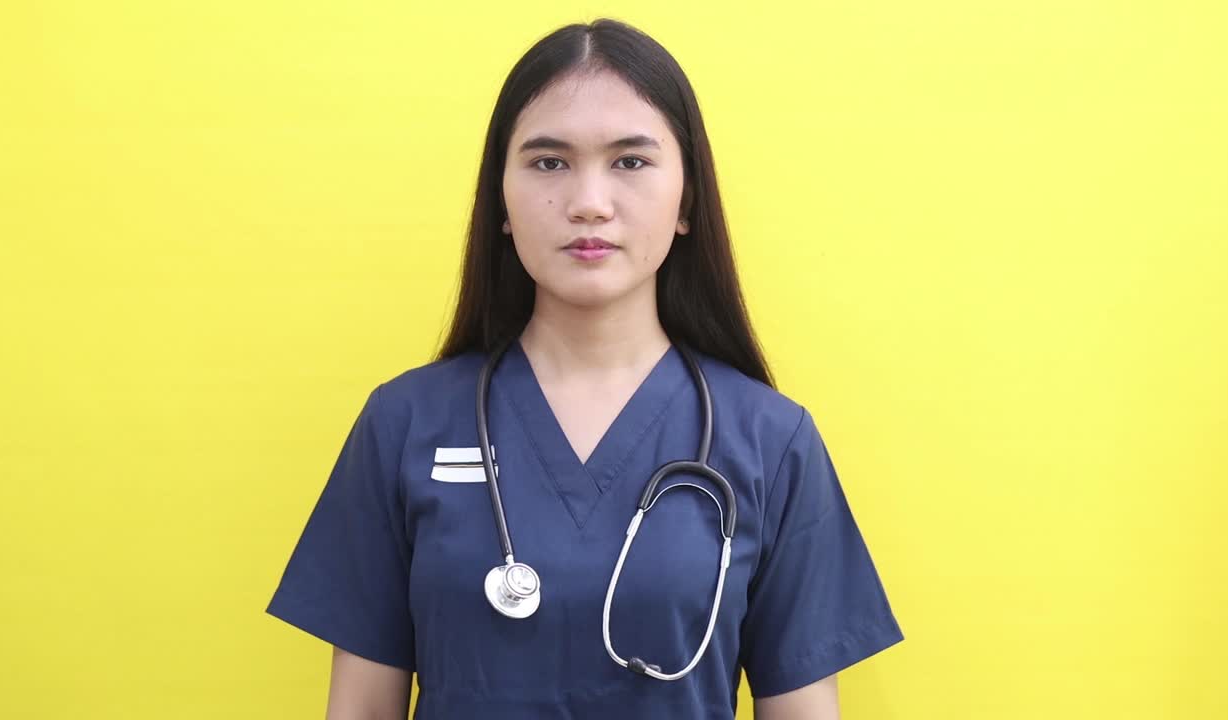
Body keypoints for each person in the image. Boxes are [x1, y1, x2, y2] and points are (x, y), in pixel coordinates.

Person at [266, 17, 904, 719]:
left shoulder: (771, 443)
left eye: (630, 161)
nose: (589, 203)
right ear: (500, 201)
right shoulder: (403, 425)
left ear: (686, 198)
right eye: (549, 162)